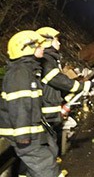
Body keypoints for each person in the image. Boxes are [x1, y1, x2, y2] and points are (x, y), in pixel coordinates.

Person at [0, 30, 62, 177]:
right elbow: (20, 105)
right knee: (46, 166)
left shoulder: (28, 71)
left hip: (32, 130)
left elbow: (32, 106)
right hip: (23, 133)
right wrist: (22, 136)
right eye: (39, 45)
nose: (42, 47)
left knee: (47, 156)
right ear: (27, 48)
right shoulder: (20, 73)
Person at [35, 27, 92, 153]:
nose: (59, 43)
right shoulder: (46, 59)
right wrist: (81, 87)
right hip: (46, 110)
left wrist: (66, 98)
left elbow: (54, 85)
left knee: (52, 144)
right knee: (48, 149)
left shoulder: (50, 58)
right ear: (47, 41)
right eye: (57, 40)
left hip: (50, 107)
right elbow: (56, 79)